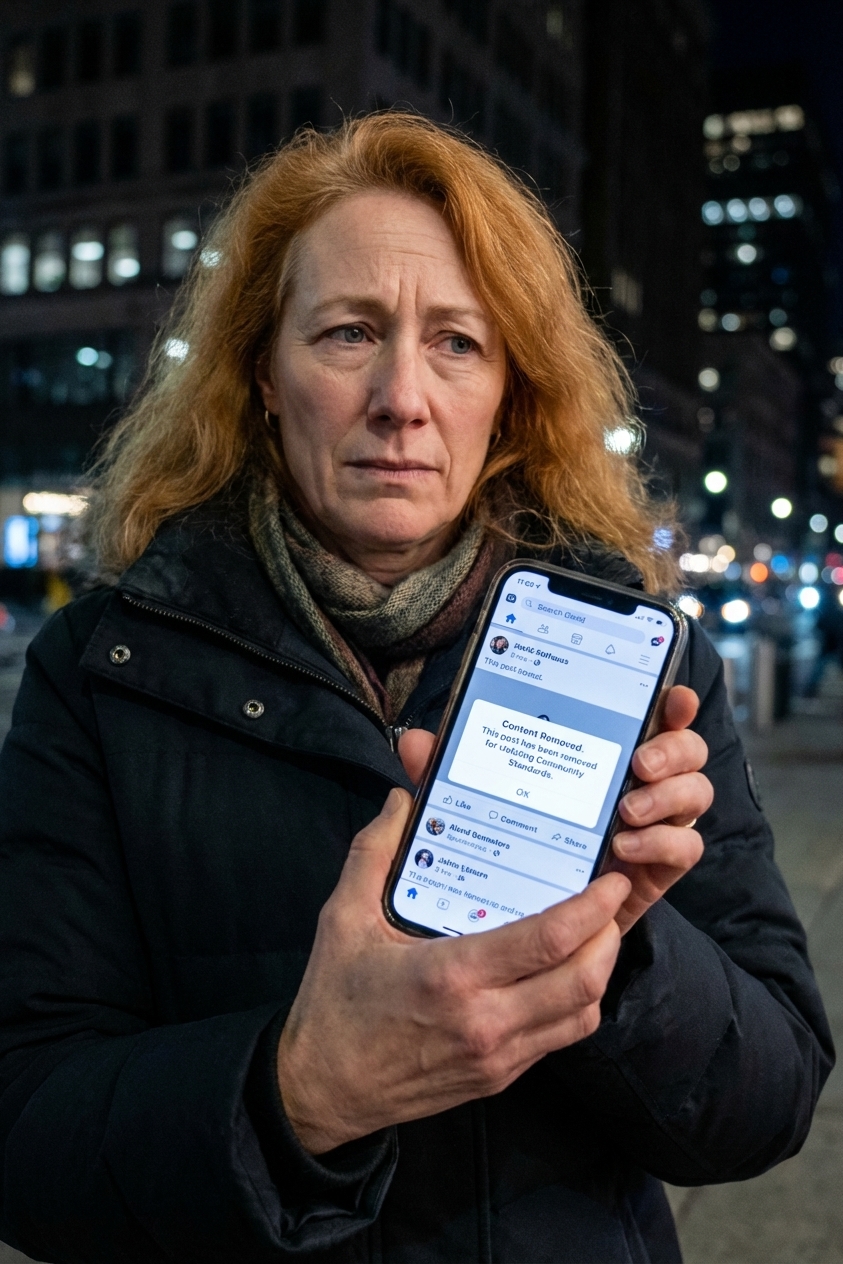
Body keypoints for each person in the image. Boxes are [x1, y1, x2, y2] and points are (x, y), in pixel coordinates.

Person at [0, 115, 832, 1264]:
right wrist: (297, 1095)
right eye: (347, 333)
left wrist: (625, 946)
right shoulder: (103, 669)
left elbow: (774, 1092)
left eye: (458, 342)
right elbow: (25, 1126)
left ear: (510, 394)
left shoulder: (646, 668)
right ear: (262, 377)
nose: (402, 396)